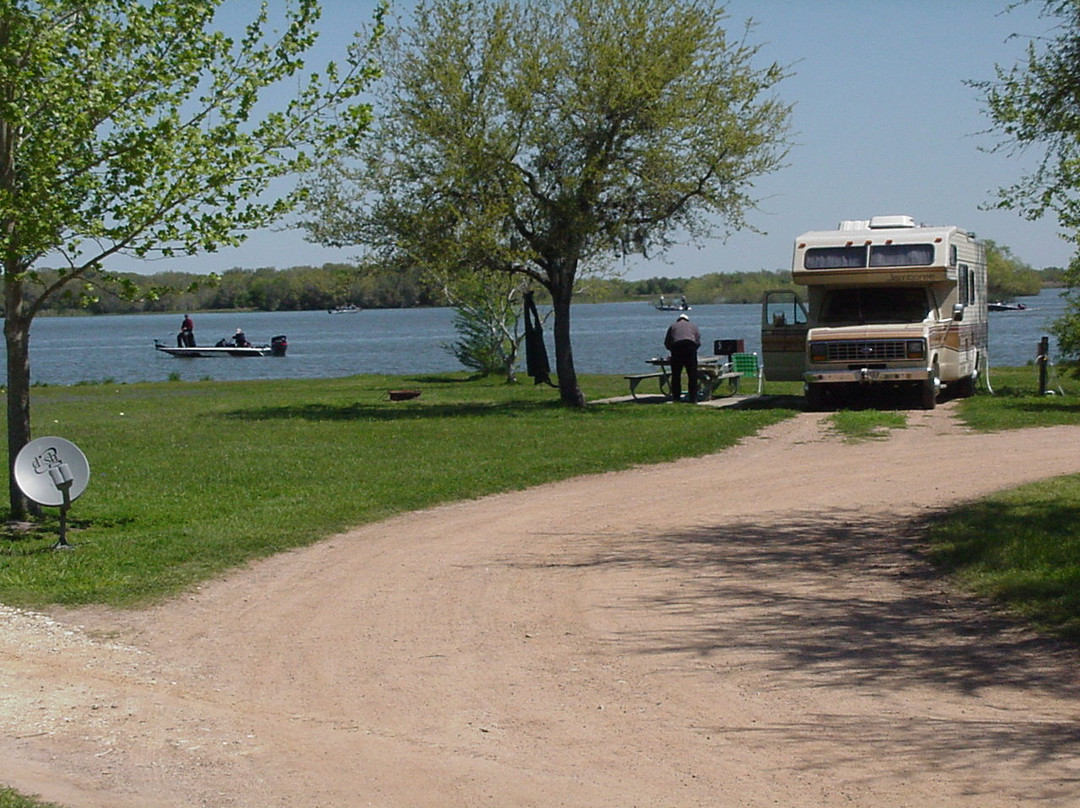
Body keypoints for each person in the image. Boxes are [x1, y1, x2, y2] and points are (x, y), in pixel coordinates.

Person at [664, 312, 701, 403]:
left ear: (678, 320)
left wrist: (672, 351)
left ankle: (676, 397)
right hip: (690, 346)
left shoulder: (673, 326)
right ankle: (693, 398)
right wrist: (693, 350)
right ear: (687, 320)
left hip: (677, 347)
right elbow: (698, 341)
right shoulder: (693, 326)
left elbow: (667, 342)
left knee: (676, 374)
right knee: (692, 375)